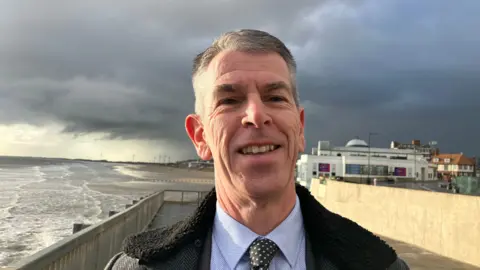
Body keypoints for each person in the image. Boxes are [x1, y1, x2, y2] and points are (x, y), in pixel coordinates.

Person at [104, 29, 409, 270]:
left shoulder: (381, 265)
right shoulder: (136, 267)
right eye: (229, 100)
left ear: (300, 128)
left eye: (275, 97)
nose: (256, 115)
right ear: (200, 136)